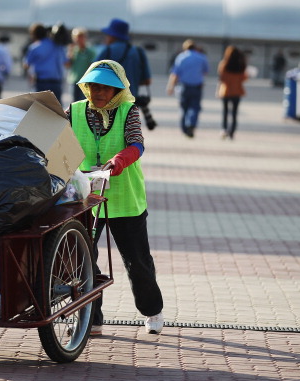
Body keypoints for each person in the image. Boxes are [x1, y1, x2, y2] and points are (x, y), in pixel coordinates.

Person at [65, 60, 164, 336]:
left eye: (106, 88)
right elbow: (56, 139)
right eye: (94, 86)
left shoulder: (128, 111)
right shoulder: (73, 112)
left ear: (117, 91)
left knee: (137, 260)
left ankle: (152, 310)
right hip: (86, 198)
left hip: (125, 197)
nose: (99, 92)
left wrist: (118, 161)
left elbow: (137, 144)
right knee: (83, 259)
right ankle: (91, 317)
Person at [94, 18, 152, 98]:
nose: (106, 38)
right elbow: (147, 81)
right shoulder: (139, 52)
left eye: (107, 35)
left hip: (108, 102)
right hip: (130, 102)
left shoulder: (107, 51)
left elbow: (93, 77)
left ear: (112, 36)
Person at [166, 39, 209, 137]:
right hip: (197, 86)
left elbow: (175, 74)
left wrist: (170, 86)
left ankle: (184, 129)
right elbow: (205, 71)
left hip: (183, 86)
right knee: (194, 107)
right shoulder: (202, 57)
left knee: (183, 108)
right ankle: (191, 125)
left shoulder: (181, 58)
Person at [23, 23, 67, 103]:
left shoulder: (34, 47)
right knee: (56, 111)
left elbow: (26, 65)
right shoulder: (57, 45)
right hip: (56, 82)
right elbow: (65, 62)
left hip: (41, 82)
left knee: (40, 109)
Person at [217, 45, 248, 140]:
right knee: (234, 113)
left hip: (226, 90)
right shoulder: (241, 65)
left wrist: (218, 89)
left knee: (225, 111)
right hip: (237, 90)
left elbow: (221, 78)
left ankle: (224, 129)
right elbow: (244, 78)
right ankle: (232, 132)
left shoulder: (224, 64)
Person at [65, 27, 95, 102]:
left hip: (86, 82)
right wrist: (70, 53)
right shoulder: (73, 51)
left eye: (81, 37)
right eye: (77, 37)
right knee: (74, 102)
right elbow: (67, 65)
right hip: (74, 81)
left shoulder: (90, 52)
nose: (78, 40)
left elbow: (92, 67)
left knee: (84, 102)